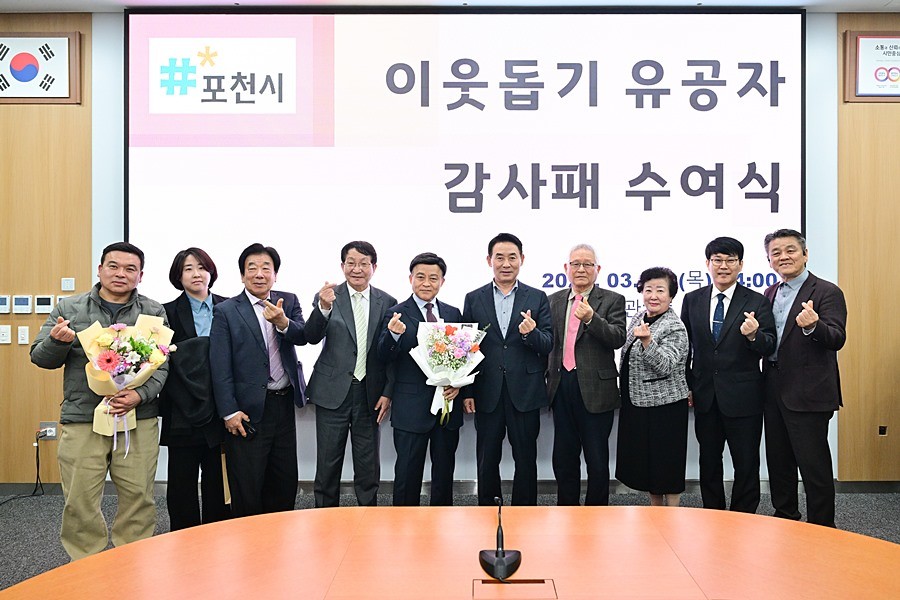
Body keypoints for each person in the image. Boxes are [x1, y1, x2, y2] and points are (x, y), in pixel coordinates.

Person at [30, 242, 168, 560]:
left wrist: (139, 394)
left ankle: (131, 562)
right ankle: (86, 564)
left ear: (141, 275)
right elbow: (40, 357)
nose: (121, 273)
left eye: (130, 269)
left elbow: (162, 364)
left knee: (139, 496)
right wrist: (56, 342)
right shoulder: (69, 309)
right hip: (83, 417)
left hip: (138, 418)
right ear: (100, 269)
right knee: (79, 499)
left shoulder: (153, 311)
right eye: (113, 266)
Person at [209, 243, 307, 518]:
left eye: (266, 268)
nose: (259, 273)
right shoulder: (227, 310)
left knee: (284, 481)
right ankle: (250, 541)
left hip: (283, 403)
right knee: (248, 486)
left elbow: (302, 335)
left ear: (275, 275)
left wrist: (283, 322)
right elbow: (220, 365)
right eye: (251, 268)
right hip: (246, 411)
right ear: (242, 275)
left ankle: (280, 537)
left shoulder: (288, 301)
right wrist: (229, 411)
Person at [680, 237, 776, 514]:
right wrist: (688, 384)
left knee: (746, 462)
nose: (723, 266)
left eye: (730, 260)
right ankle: (713, 512)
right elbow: (685, 347)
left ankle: (744, 515)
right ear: (707, 263)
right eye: (717, 260)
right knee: (709, 460)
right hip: (705, 395)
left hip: (744, 396)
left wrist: (754, 335)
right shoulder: (692, 299)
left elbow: (769, 345)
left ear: (740, 264)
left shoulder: (757, 301)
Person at [762, 229, 847, 527]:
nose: (783, 257)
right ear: (769, 261)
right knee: (779, 462)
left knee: (814, 466)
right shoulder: (769, 293)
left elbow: (836, 338)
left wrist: (814, 326)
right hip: (773, 389)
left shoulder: (826, 291)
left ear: (805, 254)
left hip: (810, 392)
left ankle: (822, 527)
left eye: (790, 250)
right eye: (776, 253)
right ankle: (785, 518)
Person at [461, 233, 553, 506]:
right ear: (489, 260)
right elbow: (466, 349)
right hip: (487, 390)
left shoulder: (537, 297)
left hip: (525, 391)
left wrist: (530, 333)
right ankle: (488, 509)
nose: (506, 263)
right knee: (487, 457)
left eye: (512, 257)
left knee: (525, 457)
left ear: (522, 259)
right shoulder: (473, 298)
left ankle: (525, 511)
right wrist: (468, 391)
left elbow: (547, 344)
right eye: (499, 257)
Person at [305, 241, 396, 508]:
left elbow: (389, 353)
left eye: (363, 263)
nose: (357, 269)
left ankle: (368, 516)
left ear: (374, 267)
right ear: (342, 265)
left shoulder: (387, 302)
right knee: (328, 463)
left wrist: (387, 391)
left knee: (368, 465)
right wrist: (323, 308)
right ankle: (325, 515)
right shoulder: (327, 296)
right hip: (332, 391)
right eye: (351, 263)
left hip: (369, 393)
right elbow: (311, 336)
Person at [377, 253, 463, 506]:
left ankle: (441, 521)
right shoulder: (395, 313)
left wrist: (458, 384)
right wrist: (393, 336)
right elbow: (383, 356)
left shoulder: (454, 312)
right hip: (410, 407)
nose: (426, 283)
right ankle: (403, 525)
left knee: (444, 473)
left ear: (442, 281)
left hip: (447, 406)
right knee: (407, 473)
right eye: (420, 277)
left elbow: (465, 355)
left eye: (433, 278)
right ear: (410, 279)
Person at [545, 244, 626, 506]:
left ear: (597, 269)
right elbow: (549, 343)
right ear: (566, 268)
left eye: (587, 264)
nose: (581, 269)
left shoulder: (612, 299)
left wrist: (592, 319)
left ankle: (596, 512)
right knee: (564, 457)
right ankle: (567, 509)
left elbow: (618, 338)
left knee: (596, 458)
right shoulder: (553, 300)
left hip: (597, 390)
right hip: (561, 385)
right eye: (576, 264)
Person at [159, 248, 230, 530]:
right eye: (188, 269)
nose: (196, 274)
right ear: (178, 276)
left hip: (222, 407)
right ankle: (183, 540)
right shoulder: (165, 312)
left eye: (201, 267)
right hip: (182, 409)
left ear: (211, 272)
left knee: (218, 479)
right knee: (181, 482)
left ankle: (217, 536)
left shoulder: (230, 307)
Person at [615, 267, 690, 507]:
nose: (653, 296)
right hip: (639, 403)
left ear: (671, 295)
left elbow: (665, 365)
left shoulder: (675, 326)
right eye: (648, 290)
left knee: (667, 466)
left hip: (665, 407)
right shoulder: (640, 316)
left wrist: (648, 341)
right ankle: (656, 511)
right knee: (649, 468)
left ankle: (673, 514)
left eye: (660, 290)